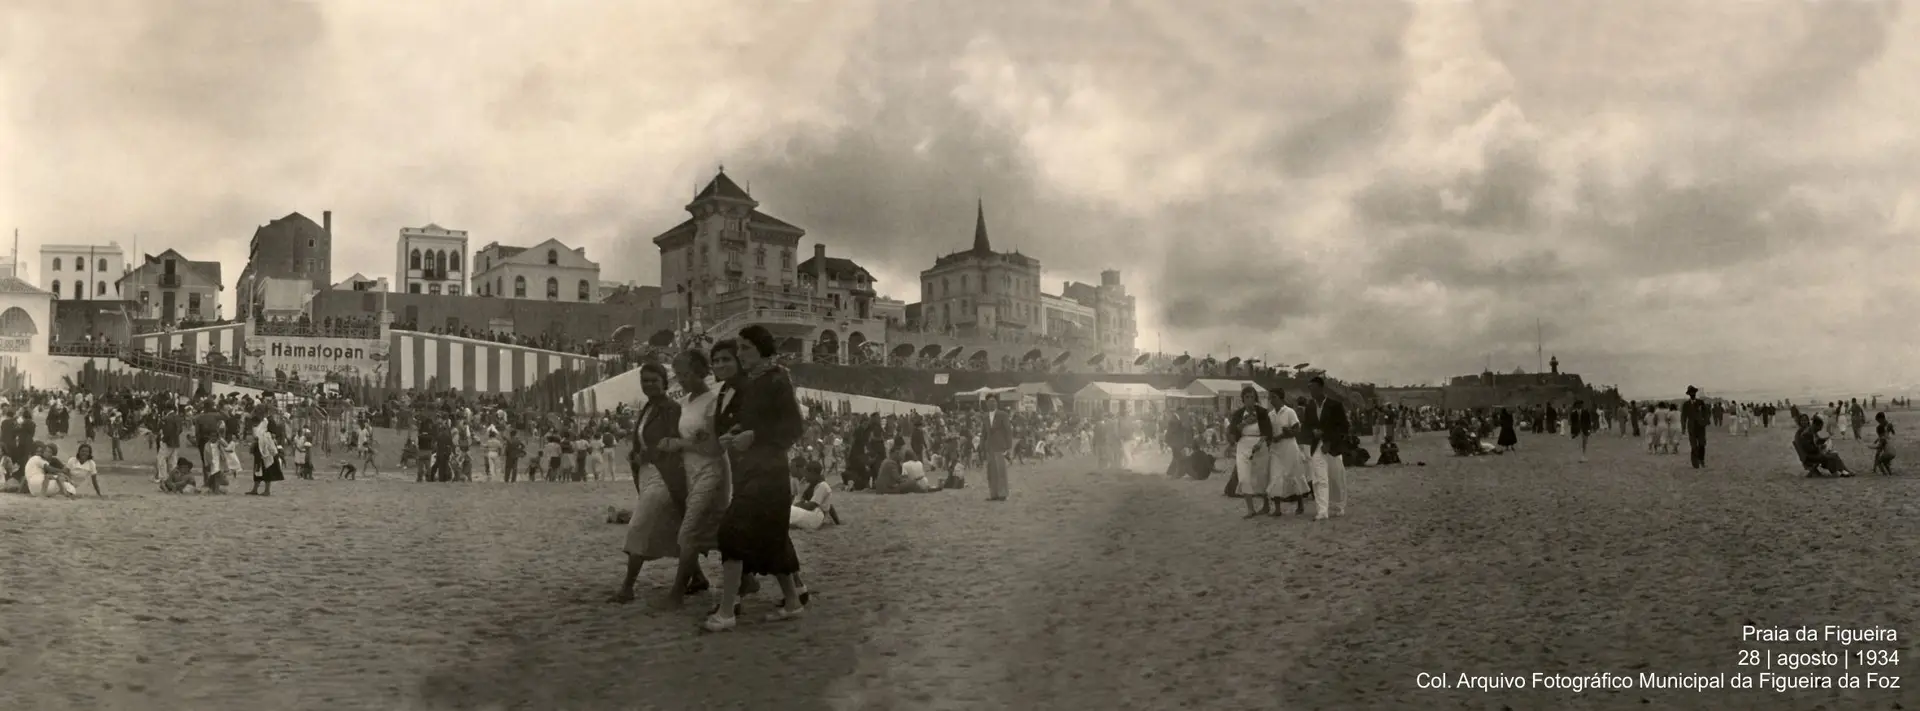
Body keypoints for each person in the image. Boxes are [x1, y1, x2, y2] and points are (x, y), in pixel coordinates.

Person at [704, 327, 809, 633]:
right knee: (772, 540)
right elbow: (756, 424)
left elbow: (793, 428)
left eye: (746, 347)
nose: (741, 353)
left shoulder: (776, 379)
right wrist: (737, 433)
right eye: (740, 347)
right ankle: (792, 603)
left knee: (732, 533)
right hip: (755, 470)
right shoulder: (757, 382)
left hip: (768, 472)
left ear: (762, 349)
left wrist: (753, 435)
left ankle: (726, 611)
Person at [1301, 377, 1349, 521]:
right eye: (1310, 388)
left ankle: (1339, 506)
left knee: (1336, 478)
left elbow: (1344, 427)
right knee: (1319, 478)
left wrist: (1328, 439)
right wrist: (1313, 433)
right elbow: (1306, 427)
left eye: (1314, 388)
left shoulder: (1335, 406)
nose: (1312, 391)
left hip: (1333, 446)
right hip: (1317, 446)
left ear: (1321, 388)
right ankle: (1322, 510)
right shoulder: (1310, 407)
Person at [1226, 385, 1275, 518]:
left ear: (1255, 398)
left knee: (1262, 477)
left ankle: (1266, 505)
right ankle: (1250, 509)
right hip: (1243, 445)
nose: (1249, 399)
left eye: (1252, 397)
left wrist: (1260, 443)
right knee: (1244, 477)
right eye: (1246, 397)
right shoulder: (1238, 414)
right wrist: (1243, 423)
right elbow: (1232, 434)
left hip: (1260, 444)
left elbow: (1267, 431)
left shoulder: (1262, 412)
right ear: (1243, 399)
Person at [1265, 388, 1311, 516]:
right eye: (1270, 397)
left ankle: (1300, 504)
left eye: (1273, 397)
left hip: (1289, 447)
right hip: (1275, 449)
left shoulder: (1290, 412)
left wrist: (1284, 434)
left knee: (1294, 475)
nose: (1271, 400)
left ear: (1280, 398)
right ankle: (1278, 509)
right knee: (1275, 476)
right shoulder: (1270, 415)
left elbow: (1297, 430)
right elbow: (1268, 432)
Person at [982, 393, 1012, 501]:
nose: (992, 403)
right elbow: (984, 433)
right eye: (990, 401)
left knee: (1001, 471)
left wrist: (1009, 447)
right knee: (991, 471)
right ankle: (993, 494)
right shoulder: (985, 416)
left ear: (997, 403)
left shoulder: (1002, 414)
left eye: (994, 401)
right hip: (989, 447)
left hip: (1000, 446)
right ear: (986, 403)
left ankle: (1003, 494)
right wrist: (982, 447)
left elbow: (1008, 431)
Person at [1680, 386, 1709, 468]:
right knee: (1694, 446)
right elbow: (1683, 417)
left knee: (1702, 444)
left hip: (1701, 427)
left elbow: (1706, 412)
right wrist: (1683, 428)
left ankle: (1701, 459)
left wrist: (1705, 421)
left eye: (1693, 393)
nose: (1692, 395)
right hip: (1691, 427)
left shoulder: (1701, 402)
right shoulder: (1686, 405)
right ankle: (1695, 463)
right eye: (1690, 393)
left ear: (1695, 393)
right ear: (1689, 394)